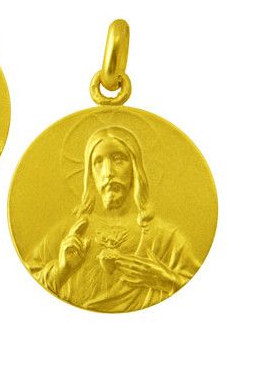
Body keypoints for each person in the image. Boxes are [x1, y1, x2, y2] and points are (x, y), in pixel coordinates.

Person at [27, 126, 200, 312]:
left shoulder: (165, 237)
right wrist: (62, 271)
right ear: (90, 175)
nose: (108, 172)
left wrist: (164, 279)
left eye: (118, 159)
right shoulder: (70, 232)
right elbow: (28, 283)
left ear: (135, 168)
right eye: (98, 162)